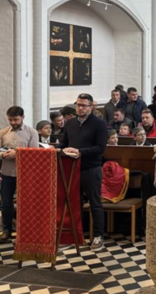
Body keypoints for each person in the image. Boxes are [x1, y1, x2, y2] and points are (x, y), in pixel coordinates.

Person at [56, 93, 109, 251]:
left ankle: (98, 236)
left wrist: (79, 151)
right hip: (72, 168)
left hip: (91, 168)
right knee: (73, 203)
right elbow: (65, 143)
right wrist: (55, 149)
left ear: (91, 107)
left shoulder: (99, 124)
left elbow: (100, 148)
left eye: (83, 105)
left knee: (95, 203)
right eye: (78, 104)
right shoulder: (70, 123)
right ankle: (75, 236)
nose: (80, 108)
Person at [0, 106, 39, 243]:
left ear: (23, 117)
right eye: (10, 119)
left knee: (25, 203)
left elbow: (35, 154)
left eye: (16, 119)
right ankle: (6, 231)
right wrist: (4, 155)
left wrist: (17, 154)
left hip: (25, 174)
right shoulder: (3, 132)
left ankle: (26, 231)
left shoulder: (31, 132)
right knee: (6, 204)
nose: (13, 122)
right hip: (6, 173)